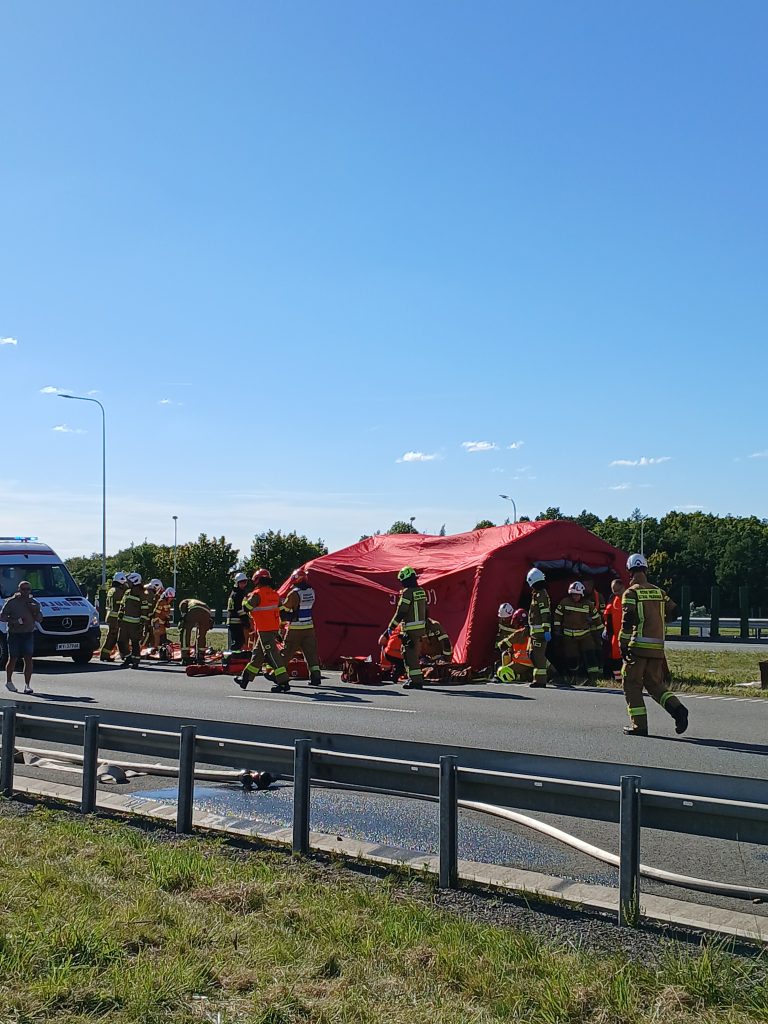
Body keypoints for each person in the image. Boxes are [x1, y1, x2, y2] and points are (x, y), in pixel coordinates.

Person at [619, 553, 688, 737]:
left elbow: (627, 620)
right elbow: (676, 611)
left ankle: (639, 726)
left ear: (629, 571)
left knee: (631, 685)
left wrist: (623, 644)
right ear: (646, 570)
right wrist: (660, 622)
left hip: (638, 648)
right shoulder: (659, 592)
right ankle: (678, 710)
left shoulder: (631, 593)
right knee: (654, 684)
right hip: (657, 649)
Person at [235, 569, 290, 692]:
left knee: (273, 655)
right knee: (257, 655)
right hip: (271, 629)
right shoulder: (274, 594)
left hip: (264, 629)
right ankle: (245, 678)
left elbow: (246, 608)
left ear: (257, 580)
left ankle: (283, 682)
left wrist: (245, 599)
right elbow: (281, 611)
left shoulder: (257, 594)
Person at [553, 581, 601, 684]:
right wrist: (557, 630)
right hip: (569, 636)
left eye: (577, 594)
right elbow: (557, 616)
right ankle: (575, 677)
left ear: (582, 594)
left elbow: (597, 618)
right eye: (573, 594)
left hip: (585, 635)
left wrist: (601, 632)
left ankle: (594, 678)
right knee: (572, 658)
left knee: (590, 655)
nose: (575, 597)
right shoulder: (565, 602)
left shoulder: (588, 605)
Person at [280, 568, 322, 686]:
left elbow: (286, 610)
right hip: (309, 627)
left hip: (295, 628)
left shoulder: (294, 593)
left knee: (287, 652)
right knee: (311, 654)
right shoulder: (311, 591)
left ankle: (277, 674)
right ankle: (316, 677)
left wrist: (279, 605)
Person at [387, 566, 427, 690]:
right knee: (414, 654)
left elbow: (401, 612)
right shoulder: (421, 591)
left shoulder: (407, 593)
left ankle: (415, 681)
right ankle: (416, 678)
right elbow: (427, 610)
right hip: (420, 628)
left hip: (410, 629)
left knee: (409, 655)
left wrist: (391, 626)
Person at [1, 580, 42, 694]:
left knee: (28, 658)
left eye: (28, 589)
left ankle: (27, 685)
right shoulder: (11, 602)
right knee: (13, 658)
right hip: (14, 634)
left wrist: (35, 612)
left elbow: (40, 619)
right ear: (19, 589)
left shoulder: (34, 603)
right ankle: (9, 681)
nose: (26, 591)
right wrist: (15, 621)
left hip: (28, 633)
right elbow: (2, 617)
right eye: (23, 589)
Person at [526, 568, 551, 688]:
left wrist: (546, 630)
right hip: (534, 631)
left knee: (538, 656)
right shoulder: (537, 594)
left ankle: (540, 680)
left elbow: (545, 613)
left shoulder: (541, 595)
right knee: (531, 654)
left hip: (540, 632)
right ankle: (552, 672)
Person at [117, 572, 145, 668]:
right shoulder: (127, 592)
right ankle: (128, 658)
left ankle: (136, 661)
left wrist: (142, 623)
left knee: (135, 643)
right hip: (124, 623)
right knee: (120, 641)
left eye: (129, 581)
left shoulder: (141, 593)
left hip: (135, 624)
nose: (127, 583)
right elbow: (122, 604)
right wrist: (120, 615)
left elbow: (145, 610)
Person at [99, 570, 128, 662]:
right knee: (113, 637)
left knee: (113, 636)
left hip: (110, 616)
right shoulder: (118, 592)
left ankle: (107, 654)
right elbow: (121, 605)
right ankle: (105, 655)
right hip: (115, 617)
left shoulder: (112, 590)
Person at [178, 598, 214, 666]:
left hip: (194, 610)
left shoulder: (184, 602)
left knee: (185, 632)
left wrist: (182, 619)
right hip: (206, 612)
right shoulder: (200, 602)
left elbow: (183, 611)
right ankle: (200, 657)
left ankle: (185, 657)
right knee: (202, 635)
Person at [602, 579, 626, 680]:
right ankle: (618, 679)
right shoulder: (613, 599)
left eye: (618, 590)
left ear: (623, 587)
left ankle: (630, 680)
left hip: (629, 634)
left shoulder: (630, 597)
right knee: (615, 657)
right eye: (614, 591)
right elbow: (607, 614)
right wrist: (607, 629)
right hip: (616, 635)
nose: (616, 593)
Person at [226, 572, 252, 652]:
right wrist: (246, 621)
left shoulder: (235, 593)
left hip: (233, 621)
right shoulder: (238, 594)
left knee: (238, 641)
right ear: (237, 583)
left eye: (245, 582)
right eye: (242, 582)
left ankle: (236, 656)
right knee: (238, 642)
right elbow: (240, 610)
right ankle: (234, 657)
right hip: (236, 621)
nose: (244, 584)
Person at [493, 603, 516, 679]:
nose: (503, 620)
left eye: (505, 618)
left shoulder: (517, 621)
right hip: (505, 646)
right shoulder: (501, 622)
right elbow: (500, 636)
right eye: (502, 618)